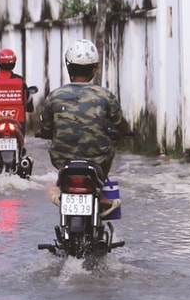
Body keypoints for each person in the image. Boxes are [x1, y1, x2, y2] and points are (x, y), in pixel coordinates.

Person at [37, 38, 129, 216]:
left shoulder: (54, 96)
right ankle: (100, 194)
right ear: (94, 69)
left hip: (62, 158)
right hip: (97, 159)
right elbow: (120, 124)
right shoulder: (105, 95)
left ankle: (65, 190)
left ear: (68, 66)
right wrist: (126, 132)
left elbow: (46, 128)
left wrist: (44, 132)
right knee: (109, 150)